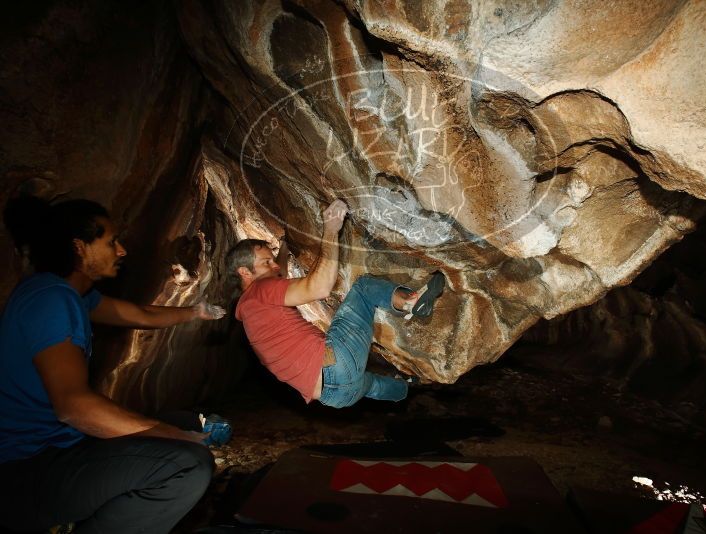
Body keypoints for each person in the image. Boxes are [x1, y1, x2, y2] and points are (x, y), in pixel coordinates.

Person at [0, 196, 226, 533]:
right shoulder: (51, 301)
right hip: (27, 470)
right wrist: (176, 438)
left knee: (187, 421)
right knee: (188, 465)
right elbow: (73, 407)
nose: (121, 251)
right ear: (80, 248)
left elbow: (139, 314)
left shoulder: (70, 295)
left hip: (61, 448)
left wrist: (195, 312)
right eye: (110, 242)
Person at [226, 199, 445, 409]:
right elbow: (319, 288)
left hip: (334, 396)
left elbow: (278, 273)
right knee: (364, 288)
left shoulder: (249, 310)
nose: (274, 266)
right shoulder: (261, 290)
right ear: (244, 272)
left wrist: (282, 249)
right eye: (266, 262)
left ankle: (404, 389)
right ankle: (410, 303)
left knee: (369, 384)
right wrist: (331, 229)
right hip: (335, 366)